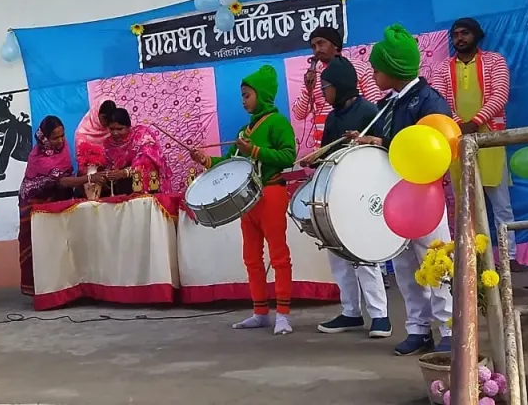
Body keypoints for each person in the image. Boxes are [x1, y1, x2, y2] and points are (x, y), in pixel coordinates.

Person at [351, 24, 454, 356]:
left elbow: (431, 146)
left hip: (424, 197)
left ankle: (450, 328)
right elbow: (394, 144)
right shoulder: (389, 103)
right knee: (406, 267)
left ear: (393, 69)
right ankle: (418, 328)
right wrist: (373, 141)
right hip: (397, 196)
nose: (373, 74)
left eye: (377, 68)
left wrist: (384, 142)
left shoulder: (428, 101)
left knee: (436, 261)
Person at [190, 65, 297, 334]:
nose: (243, 100)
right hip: (246, 200)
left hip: (271, 192)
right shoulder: (243, 130)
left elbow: (288, 156)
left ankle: (283, 315)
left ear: (262, 95)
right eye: (242, 96)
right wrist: (206, 160)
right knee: (251, 257)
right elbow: (230, 164)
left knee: (279, 255)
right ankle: (260, 312)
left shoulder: (278, 123)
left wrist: (256, 150)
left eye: (247, 95)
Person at [300, 56, 391, 338]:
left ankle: (380, 316)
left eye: (326, 87)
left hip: (363, 193)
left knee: (364, 256)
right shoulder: (333, 117)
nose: (323, 92)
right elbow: (328, 153)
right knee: (338, 256)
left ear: (340, 85)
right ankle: (351, 312)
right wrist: (315, 159)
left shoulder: (369, 111)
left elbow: (382, 154)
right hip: (336, 195)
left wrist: (360, 144)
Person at [430, 18, 518, 270]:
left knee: (501, 204)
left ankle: (510, 257)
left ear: (477, 35)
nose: (460, 38)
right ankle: (476, 263)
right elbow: (440, 101)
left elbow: (500, 94)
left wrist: (475, 122)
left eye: (465, 33)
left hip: (491, 138)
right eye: (456, 34)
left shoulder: (494, 61)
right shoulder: (442, 69)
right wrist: (460, 125)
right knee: (466, 206)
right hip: (457, 140)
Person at [19, 116, 105, 296]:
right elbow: (62, 181)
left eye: (62, 136)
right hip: (36, 204)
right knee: (40, 245)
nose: (60, 141)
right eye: (55, 138)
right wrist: (90, 178)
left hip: (58, 199)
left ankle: (64, 288)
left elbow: (67, 176)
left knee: (62, 242)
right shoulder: (40, 158)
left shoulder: (63, 148)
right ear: (44, 138)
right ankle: (41, 289)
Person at [293, 26, 383, 146]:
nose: (317, 50)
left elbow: (375, 105)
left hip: (356, 143)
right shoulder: (314, 76)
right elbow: (299, 114)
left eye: (321, 43)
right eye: (313, 47)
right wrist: (308, 90)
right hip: (325, 145)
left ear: (335, 45)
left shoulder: (359, 68)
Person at [103, 108, 170, 195]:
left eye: (119, 129)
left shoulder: (142, 134)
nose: (115, 133)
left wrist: (124, 172)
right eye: (112, 129)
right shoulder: (108, 144)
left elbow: (148, 160)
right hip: (123, 186)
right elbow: (108, 167)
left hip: (150, 182)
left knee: (145, 160)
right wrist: (111, 174)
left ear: (128, 127)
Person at [74, 100, 116, 164]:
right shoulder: (82, 133)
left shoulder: (114, 129)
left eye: (110, 118)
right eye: (105, 117)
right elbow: (81, 161)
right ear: (96, 114)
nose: (108, 121)